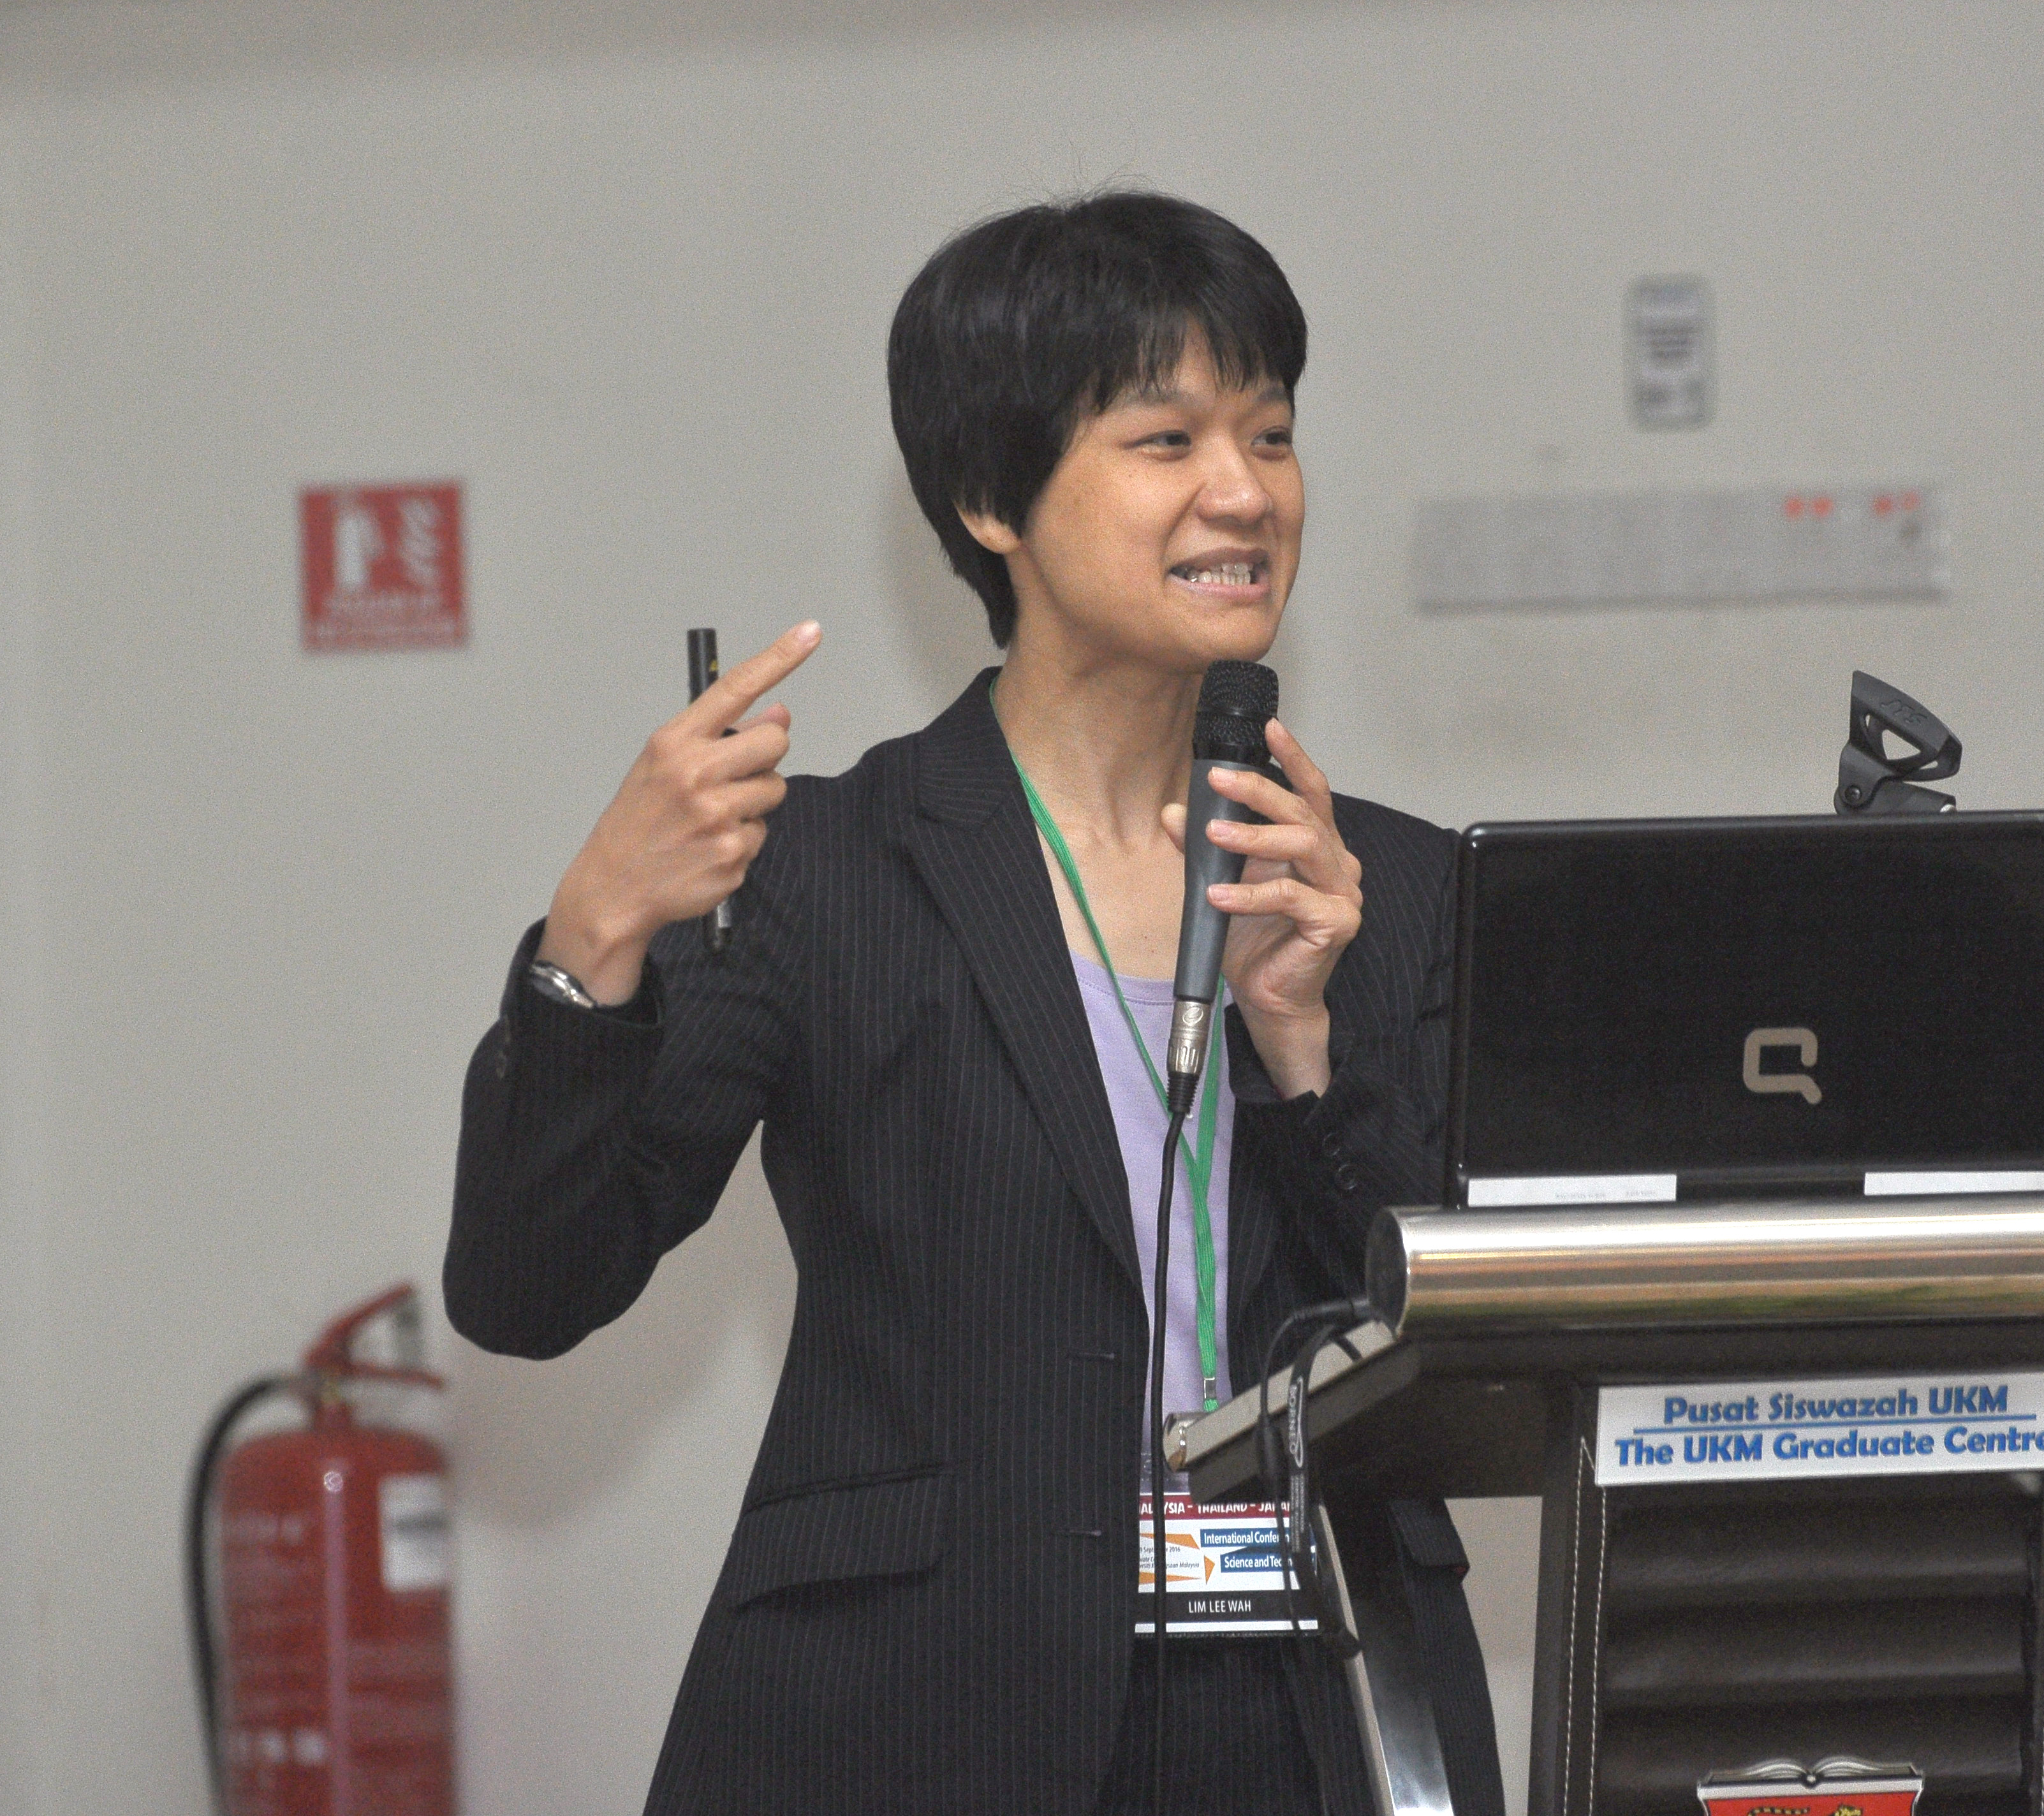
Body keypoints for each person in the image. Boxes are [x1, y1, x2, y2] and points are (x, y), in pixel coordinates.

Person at [446, 191, 1496, 1816]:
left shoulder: (1392, 888)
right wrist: (596, 934)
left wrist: (1306, 1050)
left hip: (1306, 1705)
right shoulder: (823, 872)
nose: (1244, 491)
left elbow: (1472, 1364)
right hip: (912, 1705)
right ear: (990, 499)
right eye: (1167, 438)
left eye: (1272, 433)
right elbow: (529, 1284)